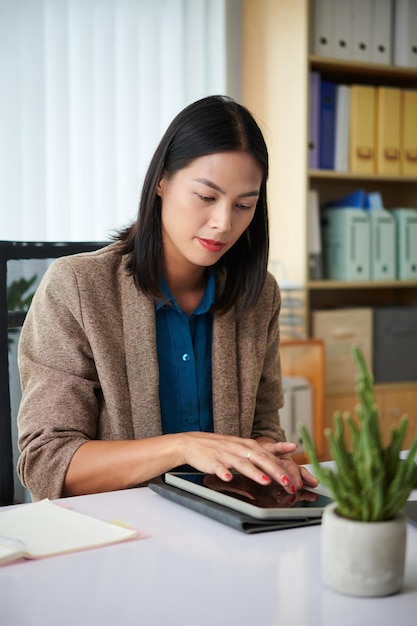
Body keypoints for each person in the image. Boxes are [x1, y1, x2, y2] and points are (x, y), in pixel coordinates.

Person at [17, 95, 318, 501]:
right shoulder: (76, 287)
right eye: (207, 197)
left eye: (244, 205)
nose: (224, 223)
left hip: (222, 529)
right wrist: (183, 446)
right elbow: (47, 462)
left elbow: (264, 427)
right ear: (161, 180)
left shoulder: (259, 294)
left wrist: (266, 458)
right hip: (115, 538)